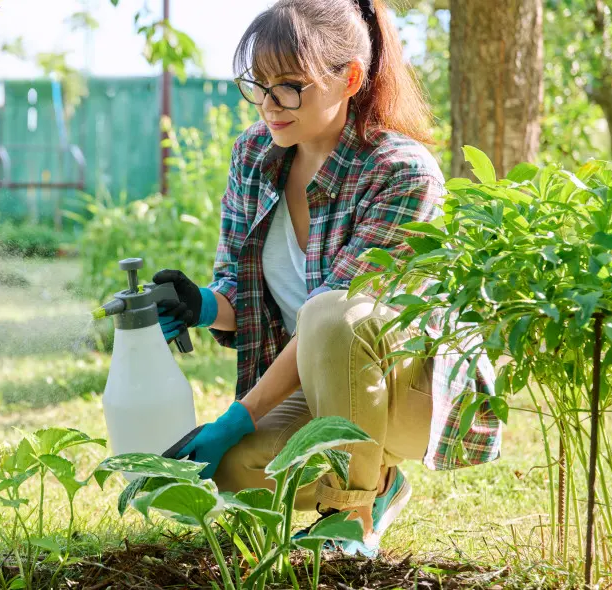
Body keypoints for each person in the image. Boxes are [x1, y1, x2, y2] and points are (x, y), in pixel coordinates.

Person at [152, 0, 502, 558]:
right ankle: (382, 484)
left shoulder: (401, 172)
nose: (270, 105)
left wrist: (237, 415)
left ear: (350, 79)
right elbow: (246, 299)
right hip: (322, 386)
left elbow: (335, 315)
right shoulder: (254, 155)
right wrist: (201, 304)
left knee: (332, 311)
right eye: (259, 85)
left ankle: (353, 516)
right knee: (232, 469)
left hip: (405, 390)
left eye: (289, 86)